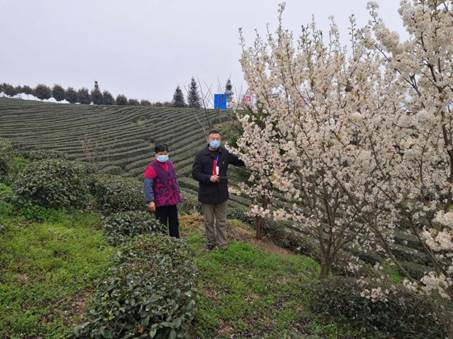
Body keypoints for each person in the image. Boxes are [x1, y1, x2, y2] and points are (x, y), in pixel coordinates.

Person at [192, 130, 245, 249]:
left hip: (221, 193)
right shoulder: (201, 155)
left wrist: (252, 157)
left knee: (221, 222)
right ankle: (211, 243)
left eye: (217, 139)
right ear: (208, 140)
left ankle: (222, 244)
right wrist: (208, 178)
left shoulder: (224, 153)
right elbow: (195, 174)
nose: (215, 141)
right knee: (209, 221)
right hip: (207, 194)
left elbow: (238, 161)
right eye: (213, 139)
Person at [143, 143, 182, 238]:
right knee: (161, 223)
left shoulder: (169, 163)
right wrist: (150, 200)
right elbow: (147, 185)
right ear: (156, 154)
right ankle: (164, 242)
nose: (163, 155)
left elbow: (174, 179)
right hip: (160, 201)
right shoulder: (152, 167)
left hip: (172, 199)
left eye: (165, 153)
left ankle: (176, 241)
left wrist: (178, 192)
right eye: (160, 154)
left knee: (174, 222)